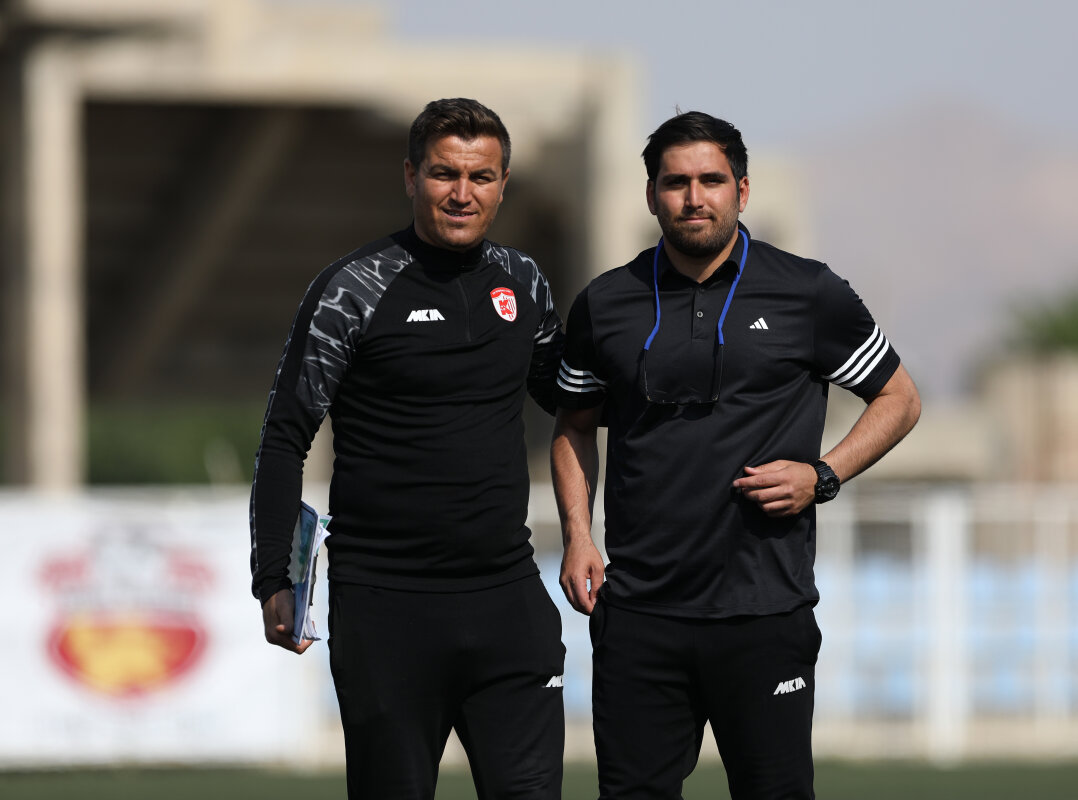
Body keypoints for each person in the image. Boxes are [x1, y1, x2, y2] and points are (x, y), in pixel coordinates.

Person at [552, 111, 921, 800]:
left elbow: (899, 398)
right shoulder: (605, 303)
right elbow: (573, 426)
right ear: (651, 195)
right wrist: (577, 533)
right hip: (640, 615)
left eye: (711, 180)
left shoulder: (808, 292)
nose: (694, 198)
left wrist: (823, 474)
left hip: (765, 611)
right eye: (676, 183)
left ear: (742, 191)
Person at [250, 98, 566, 799]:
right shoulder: (352, 289)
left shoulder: (525, 283)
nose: (462, 193)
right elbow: (284, 439)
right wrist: (273, 576)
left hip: (508, 601)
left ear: (503, 184)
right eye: (444, 173)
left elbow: (575, 406)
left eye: (481, 176)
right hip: (386, 609)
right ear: (410, 176)